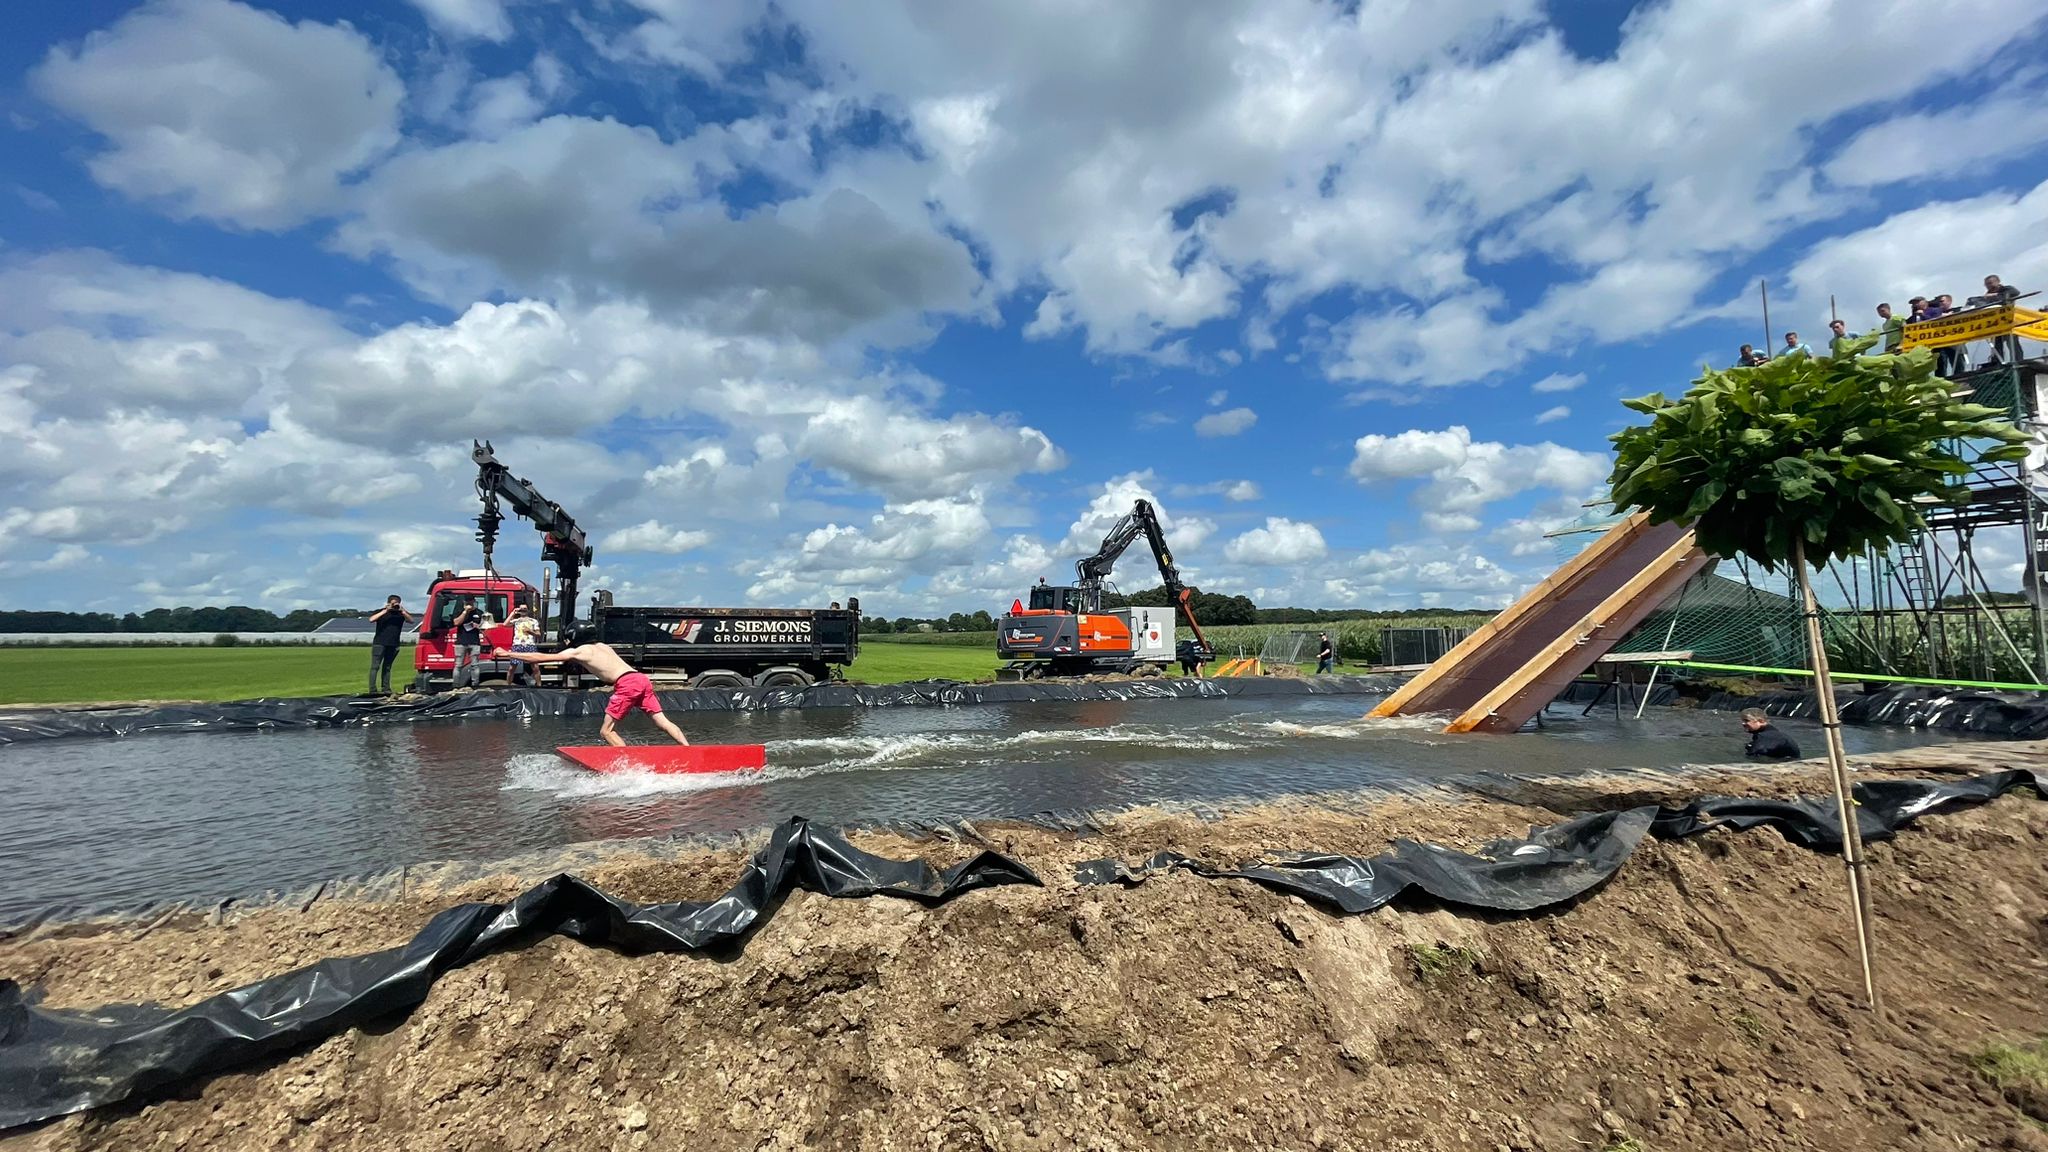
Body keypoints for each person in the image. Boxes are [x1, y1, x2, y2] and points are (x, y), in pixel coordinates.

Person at [495, 642, 689, 747]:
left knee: (606, 731)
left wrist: (508, 654)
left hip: (627, 684)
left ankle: (629, 764)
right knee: (662, 722)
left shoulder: (581, 651)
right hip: (640, 679)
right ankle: (688, 750)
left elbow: (541, 658)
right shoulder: (603, 646)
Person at [367, 595, 414, 696]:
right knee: (375, 667)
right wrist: (385, 611)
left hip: (393, 644)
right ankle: (372, 689)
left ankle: (386, 688)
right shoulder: (381, 612)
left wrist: (403, 611)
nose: (394, 605)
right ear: (388, 603)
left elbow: (411, 621)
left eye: (397, 603)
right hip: (379, 643)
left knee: (387, 667)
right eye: (393, 603)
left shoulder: (400, 614)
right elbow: (371, 619)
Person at [451, 599, 487, 689]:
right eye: (467, 603)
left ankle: (475, 684)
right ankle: (455, 686)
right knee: (458, 665)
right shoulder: (459, 612)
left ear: (474, 602)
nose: (469, 604)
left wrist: (478, 626)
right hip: (461, 642)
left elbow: (484, 628)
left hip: (475, 642)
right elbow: (456, 622)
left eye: (471, 602)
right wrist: (465, 612)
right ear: (464, 604)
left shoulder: (479, 612)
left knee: (475, 665)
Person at [505, 604, 541, 686]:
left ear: (528, 610)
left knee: (535, 667)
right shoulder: (516, 620)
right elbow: (505, 624)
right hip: (517, 645)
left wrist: (530, 631)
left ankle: (539, 686)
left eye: (525, 609)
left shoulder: (533, 621)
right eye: (521, 609)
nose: (523, 610)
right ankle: (508, 686)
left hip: (529, 645)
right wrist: (513, 613)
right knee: (512, 668)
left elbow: (538, 634)